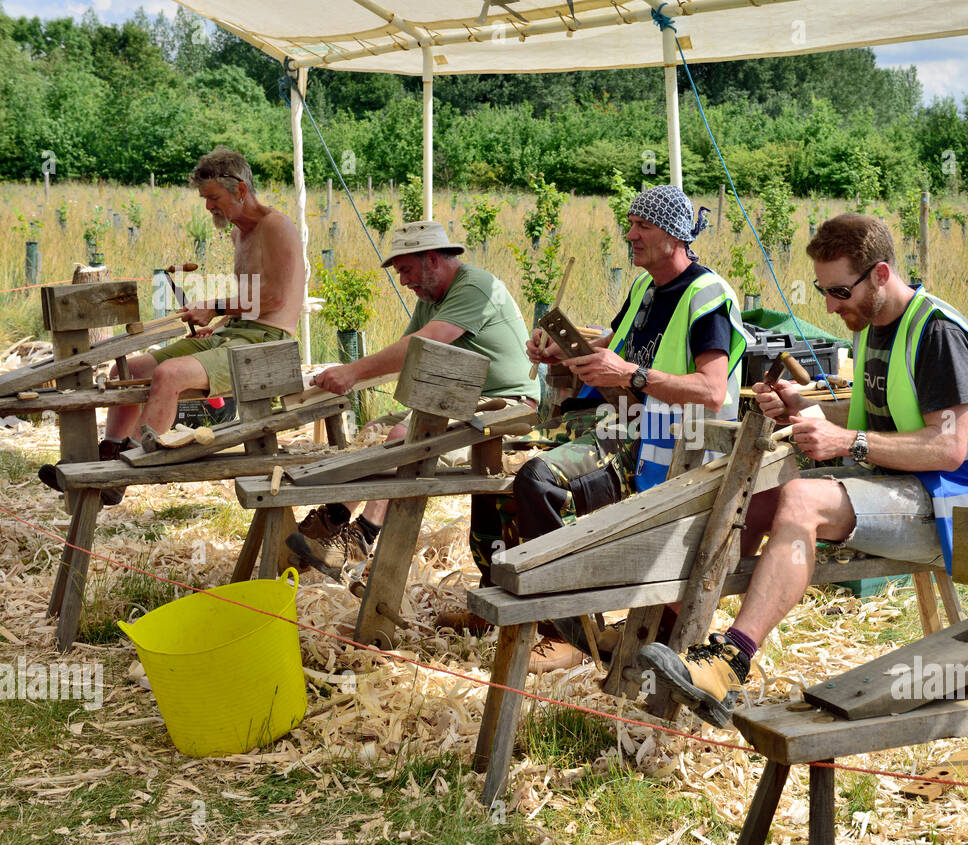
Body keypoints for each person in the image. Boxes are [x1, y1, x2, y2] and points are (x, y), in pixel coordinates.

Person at [638, 213, 968, 727]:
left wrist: (847, 442)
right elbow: (880, 423)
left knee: (801, 500)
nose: (831, 306)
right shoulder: (871, 328)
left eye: (839, 292)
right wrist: (803, 408)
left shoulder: (938, 334)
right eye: (823, 291)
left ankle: (729, 663)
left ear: (880, 274)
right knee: (760, 493)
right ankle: (673, 632)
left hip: (963, 508)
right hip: (911, 487)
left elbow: (946, 448)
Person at [512, 184, 749, 671]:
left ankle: (578, 634)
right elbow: (615, 346)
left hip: (665, 442)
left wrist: (634, 377)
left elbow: (713, 390)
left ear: (672, 235)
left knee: (538, 481)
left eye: (642, 225)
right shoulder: (646, 286)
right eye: (631, 224)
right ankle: (535, 615)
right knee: (496, 492)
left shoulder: (707, 296)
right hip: (623, 422)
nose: (630, 234)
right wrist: (564, 349)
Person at [38, 146, 306, 505]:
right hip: (235, 333)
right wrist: (224, 319)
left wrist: (214, 306)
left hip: (268, 345)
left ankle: (122, 472)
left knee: (171, 375)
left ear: (240, 190)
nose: (208, 207)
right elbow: (254, 293)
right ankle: (107, 454)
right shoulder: (238, 233)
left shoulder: (277, 225)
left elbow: (275, 298)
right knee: (131, 369)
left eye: (213, 197)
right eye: (204, 198)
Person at [286, 220, 539, 584]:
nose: (403, 281)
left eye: (405, 269)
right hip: (458, 400)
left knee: (401, 437)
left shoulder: (476, 288)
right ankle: (333, 522)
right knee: (374, 430)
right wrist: (332, 377)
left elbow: (419, 348)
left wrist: (353, 372)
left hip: (508, 408)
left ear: (432, 259)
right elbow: (406, 356)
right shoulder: (433, 297)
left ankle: (360, 539)